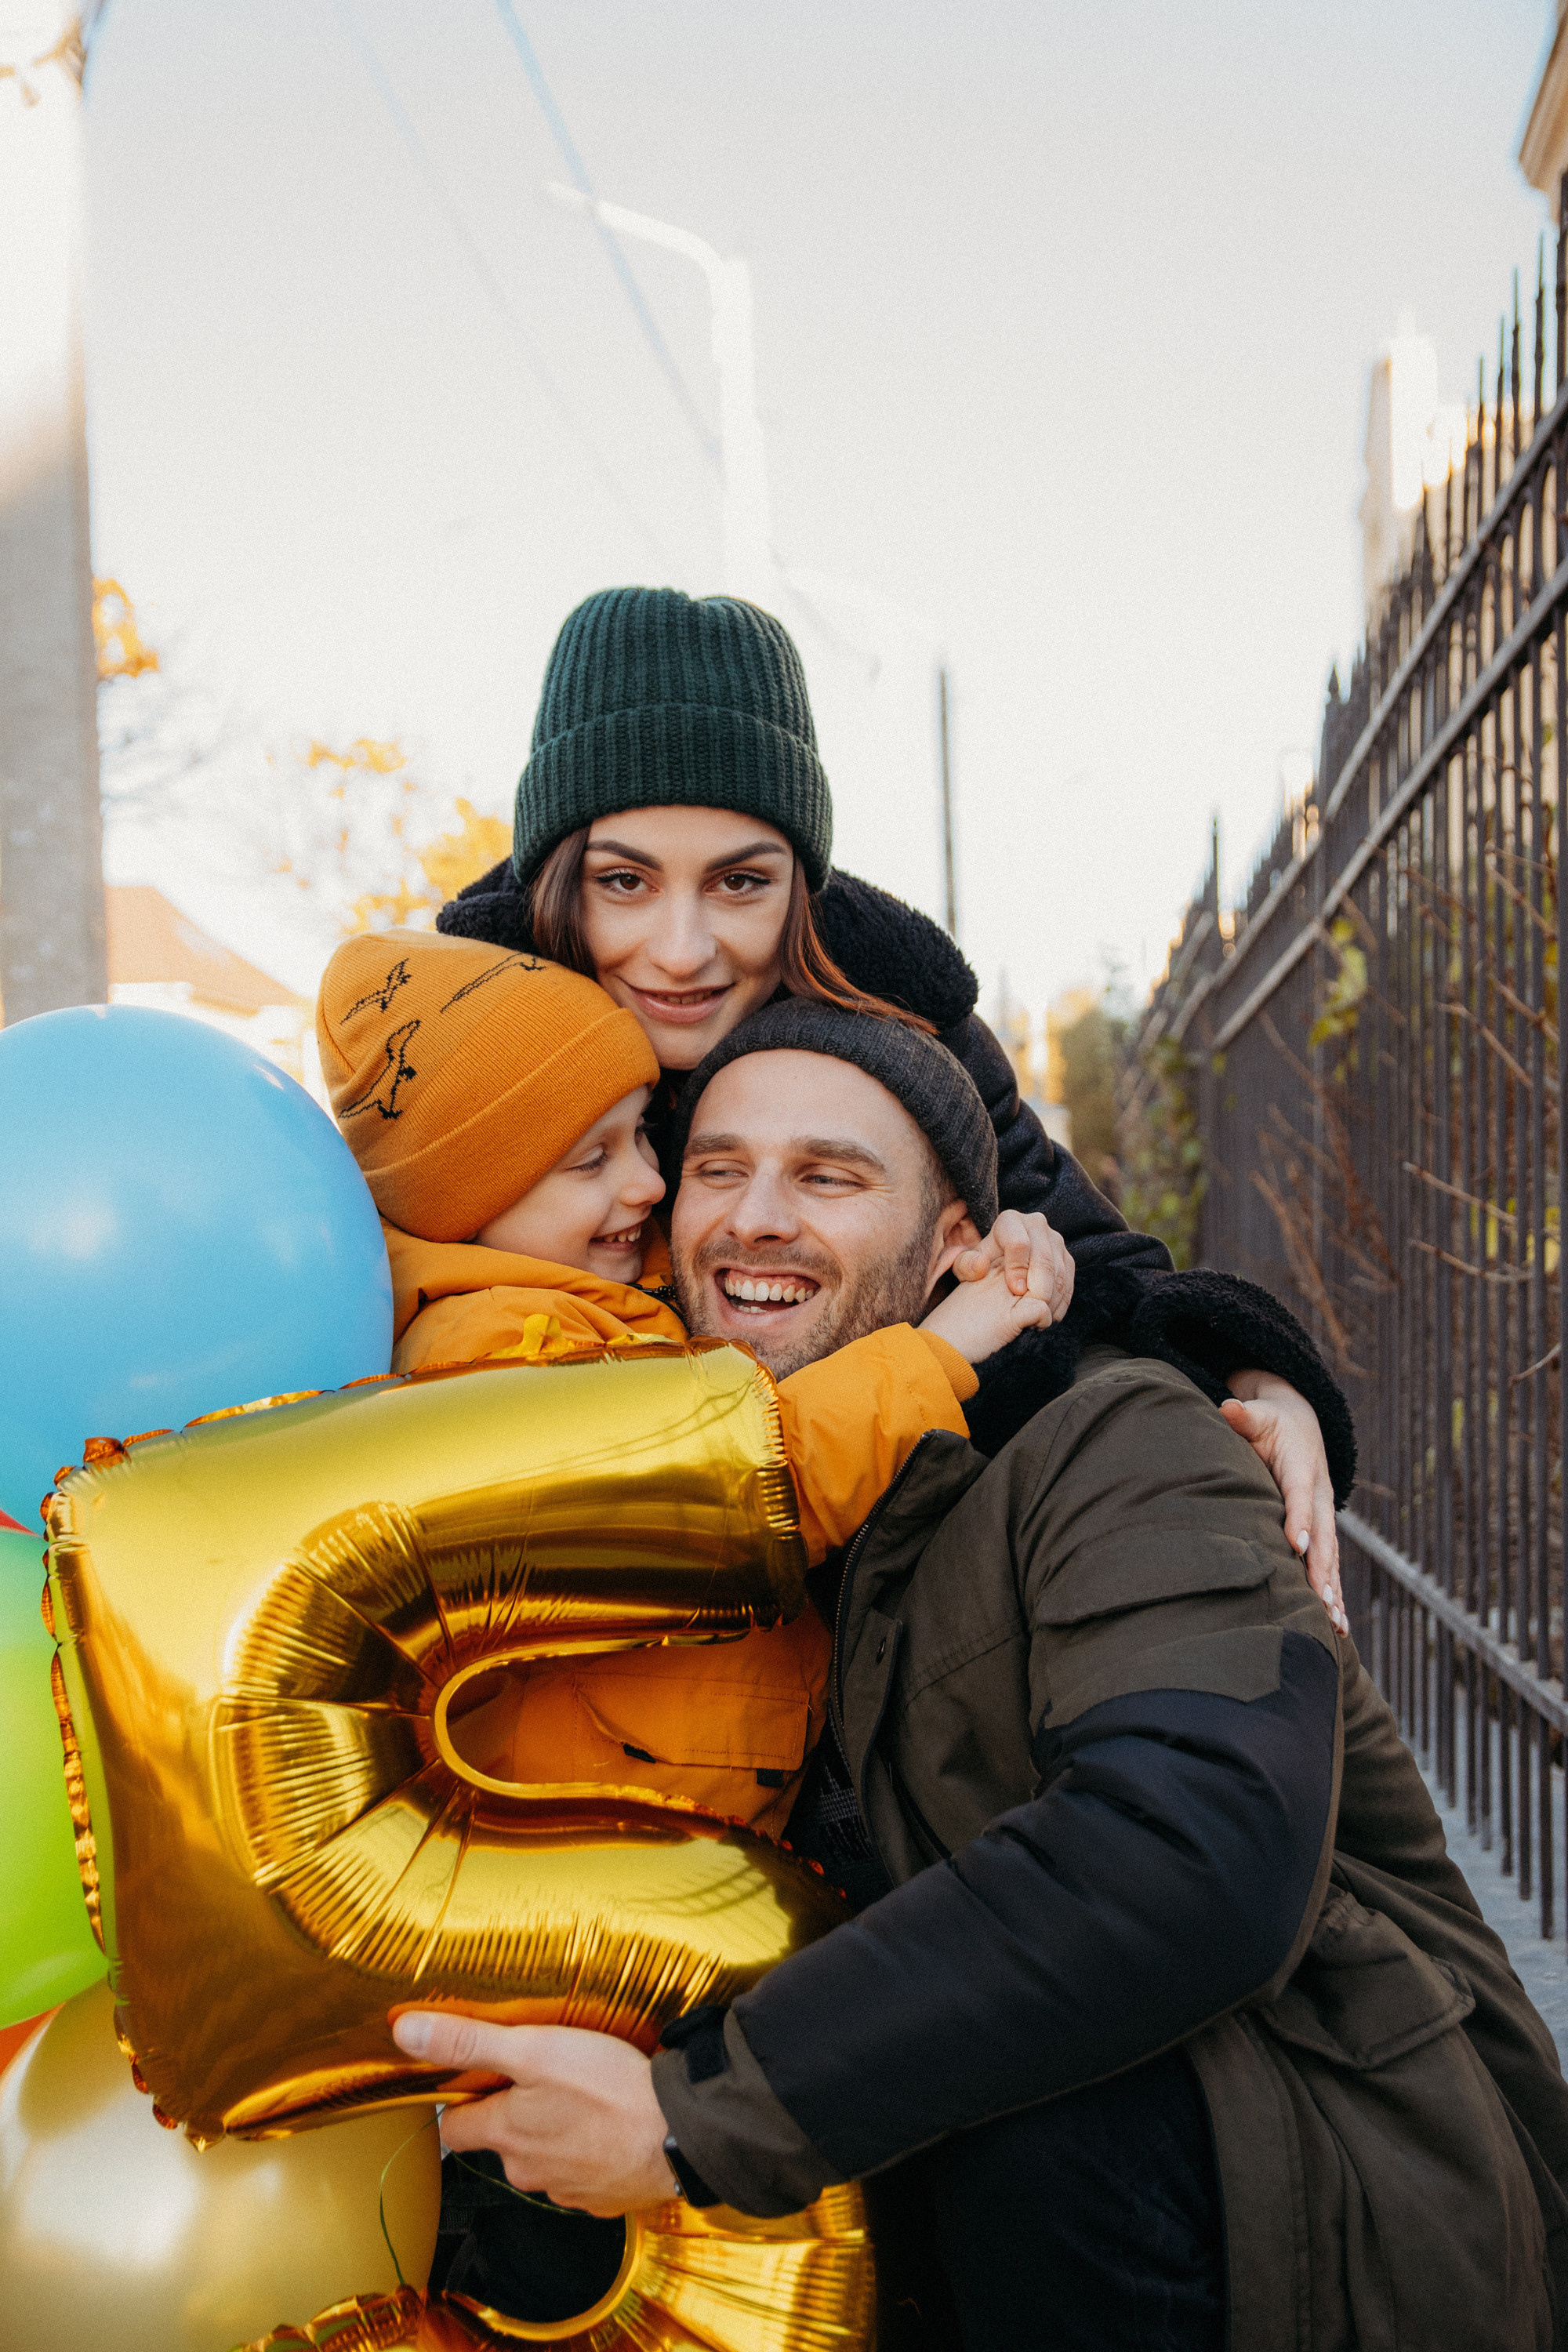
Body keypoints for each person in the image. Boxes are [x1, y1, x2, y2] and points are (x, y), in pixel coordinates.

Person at [394, 1001, 1568, 2352]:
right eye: (718, 1168)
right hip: (922, 2223)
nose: (755, 1218)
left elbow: (1193, 1848)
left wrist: (691, 2117)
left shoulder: (1123, 1444)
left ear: (963, 1246)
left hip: (1301, 2198)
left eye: (829, 1177)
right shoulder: (705, 1488)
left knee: (1041, 2108)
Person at [437, 584, 1356, 1622]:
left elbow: (1103, 1266)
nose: (683, 950)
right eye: (626, 883)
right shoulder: (462, 1048)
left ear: (800, 881)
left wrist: (1262, 1383)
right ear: (560, 879)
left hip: (851, 1629)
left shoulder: (901, 1029)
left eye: (740, 883)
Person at [315, 925, 1063, 1837]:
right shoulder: (492, 1348)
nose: (644, 1187)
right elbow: (717, 1503)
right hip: (585, 1885)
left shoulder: (606, 1297)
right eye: (590, 1162)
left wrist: (992, 1252)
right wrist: (939, 1350)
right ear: (469, 1201)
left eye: (641, 1138)